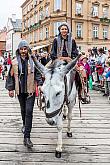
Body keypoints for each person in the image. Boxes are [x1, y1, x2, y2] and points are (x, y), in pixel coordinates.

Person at [5, 40, 43, 148]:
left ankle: (27, 137)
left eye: (25, 49)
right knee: (23, 110)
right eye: (21, 49)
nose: (23, 51)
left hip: (30, 90)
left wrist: (40, 84)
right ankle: (25, 125)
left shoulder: (33, 61)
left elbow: (38, 74)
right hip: (20, 91)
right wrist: (10, 89)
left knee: (29, 111)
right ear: (19, 50)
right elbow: (11, 76)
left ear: (28, 50)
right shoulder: (14, 62)